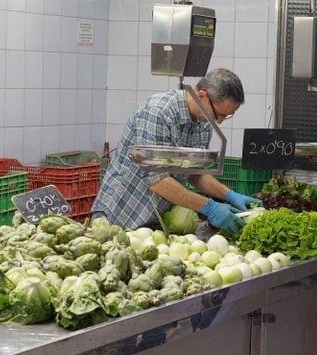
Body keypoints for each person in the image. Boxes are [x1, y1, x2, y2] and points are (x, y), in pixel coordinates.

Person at [93, 67, 262, 235]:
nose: (220, 122)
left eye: (226, 116)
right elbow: (157, 180)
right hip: (121, 215)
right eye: (220, 115)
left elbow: (195, 172)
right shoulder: (158, 112)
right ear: (202, 97)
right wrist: (209, 207)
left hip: (156, 220)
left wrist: (230, 195)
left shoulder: (202, 124)